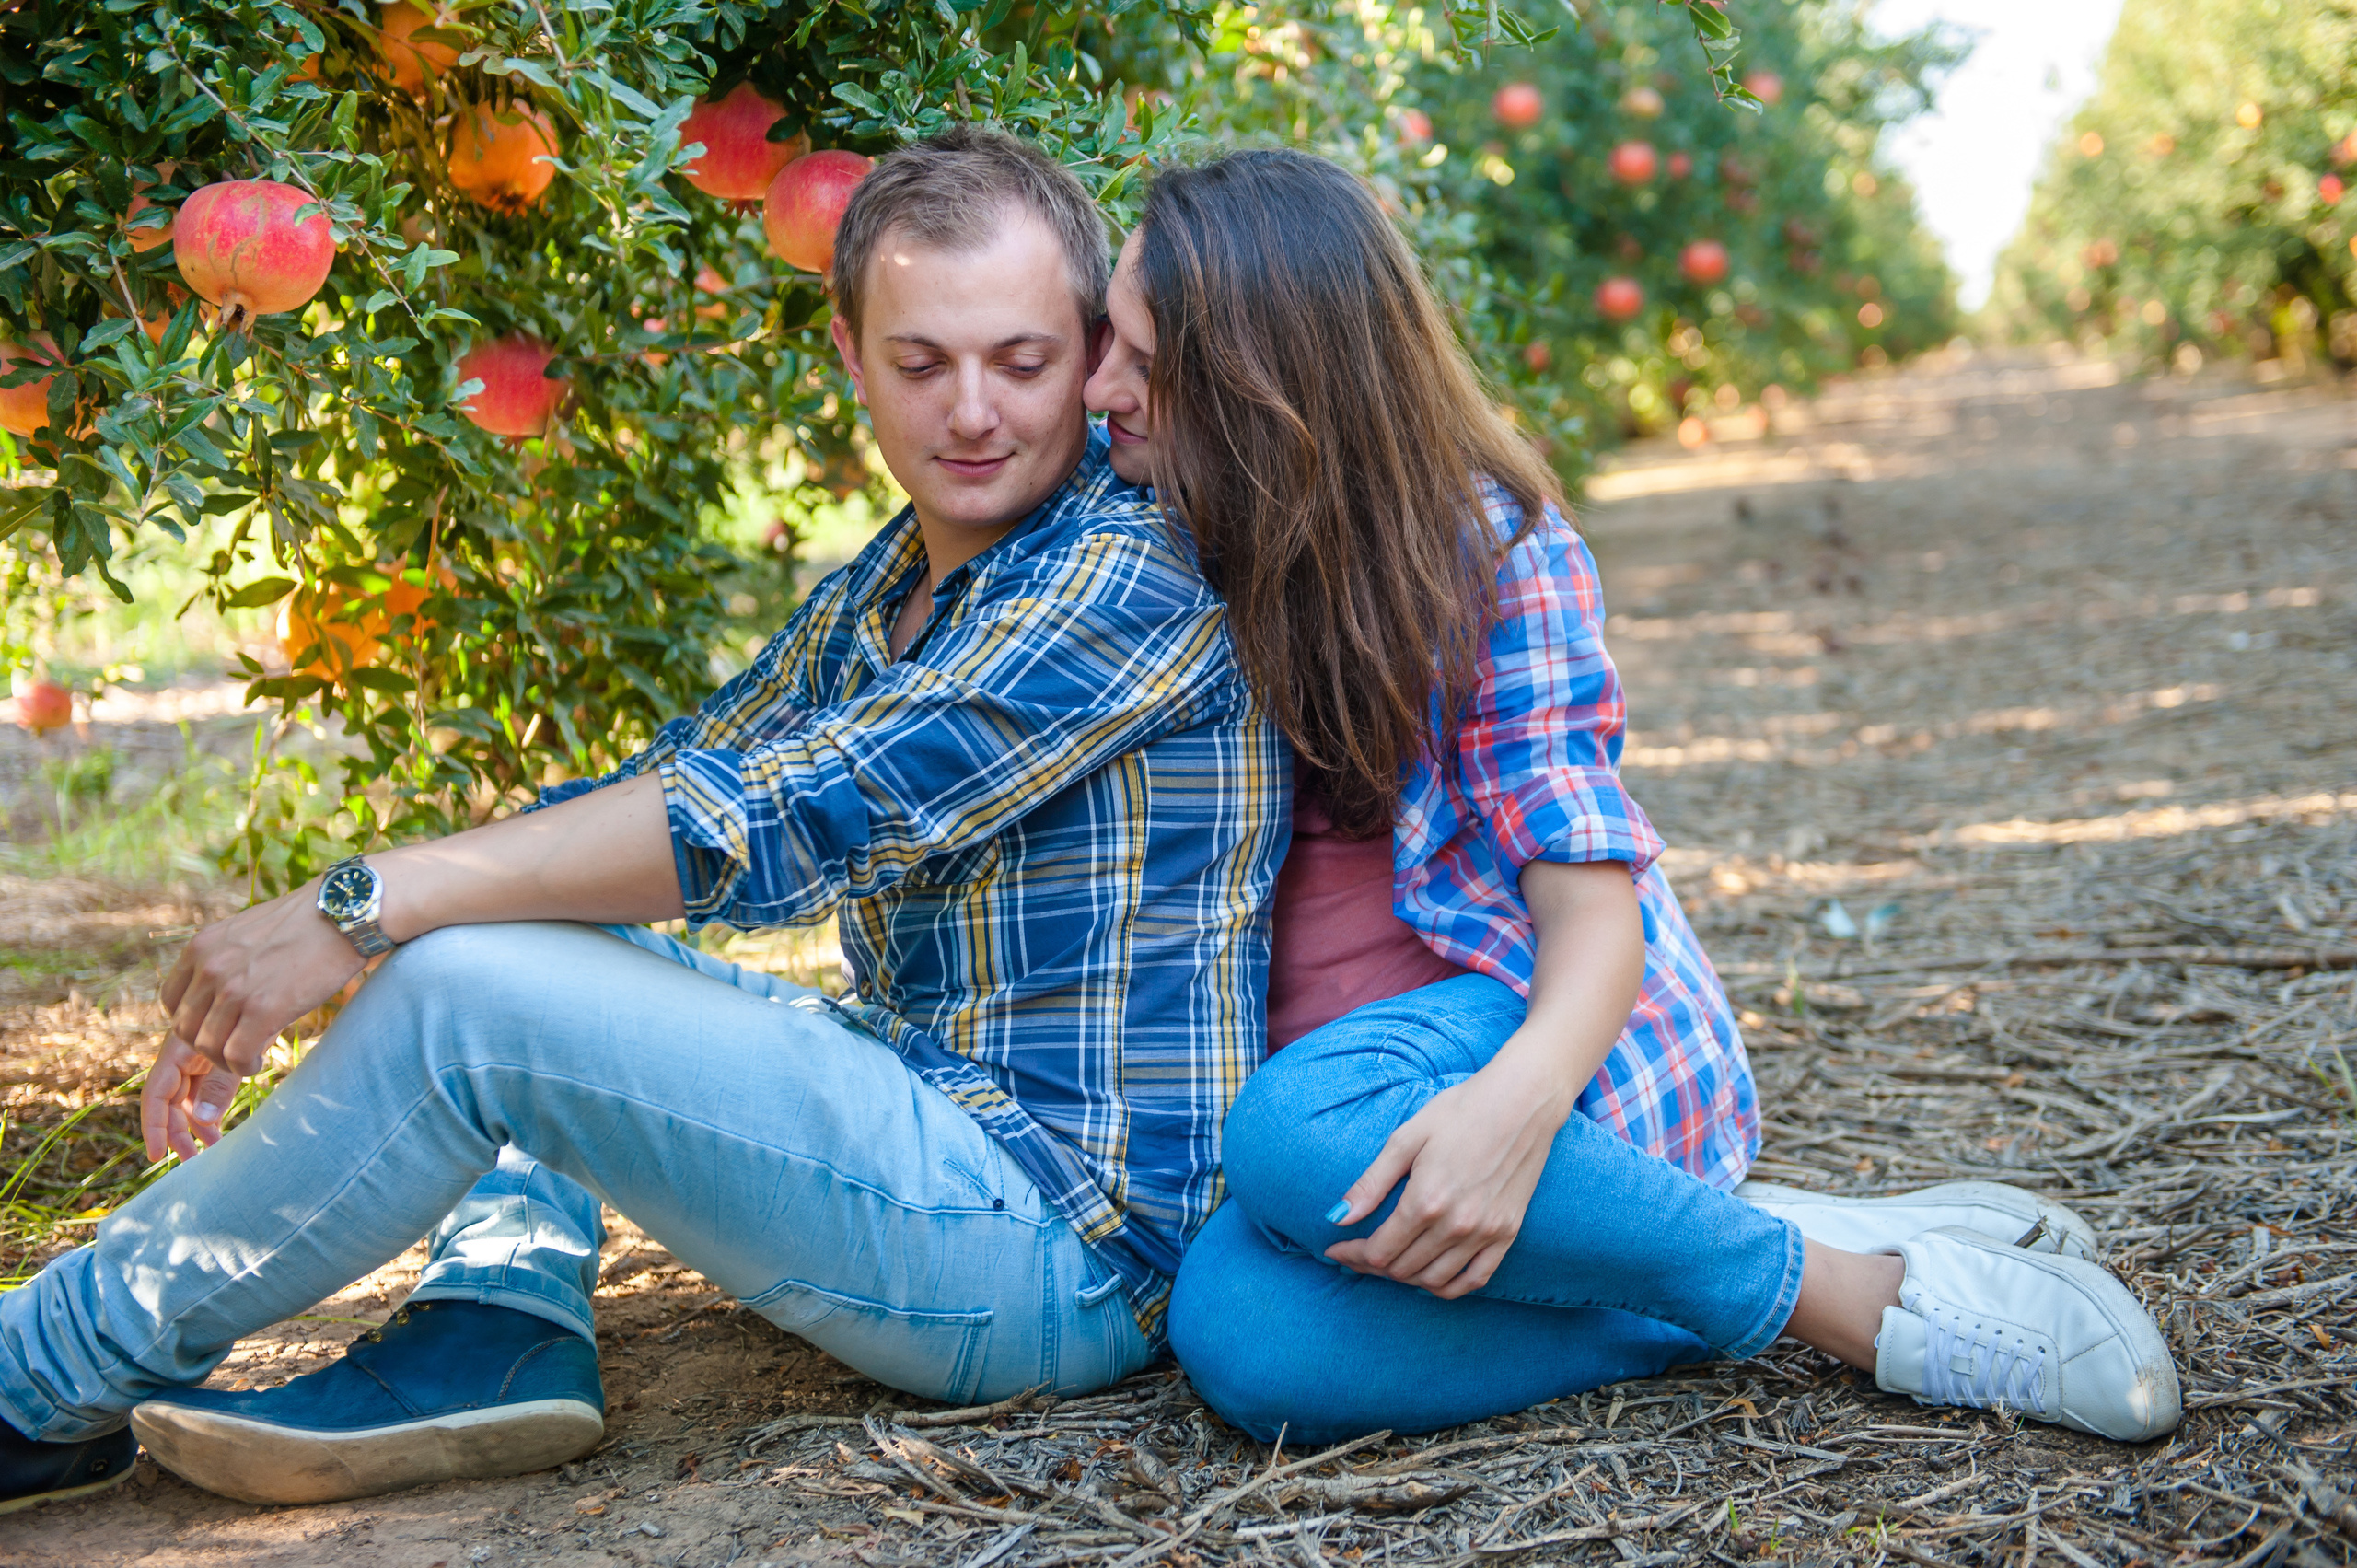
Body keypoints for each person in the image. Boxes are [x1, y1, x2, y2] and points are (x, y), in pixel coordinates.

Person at [0, 126, 1287, 1515]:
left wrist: (361, 904)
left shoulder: (1128, 570)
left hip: (1068, 1245)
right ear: (851, 360)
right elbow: (682, 775)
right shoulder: (891, 586)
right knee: (496, 929)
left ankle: (29, 1382)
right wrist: (391, 910)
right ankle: (499, 1323)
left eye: (1024, 363)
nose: (973, 411)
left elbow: (781, 818)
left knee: (474, 983)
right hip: (930, 1119)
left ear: (1096, 352)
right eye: (922, 364)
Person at [1080, 148, 2180, 1445]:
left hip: (1529, 1049)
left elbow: (1600, 923)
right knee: (1242, 1336)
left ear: (1266, 378)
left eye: (1145, 363)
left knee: (1295, 1130)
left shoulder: (1484, 553)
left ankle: (1855, 1302)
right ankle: (1711, 1258)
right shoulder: (1144, 547)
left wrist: (1513, 1109)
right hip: (1354, 1140)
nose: (1101, 388)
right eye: (1105, 341)